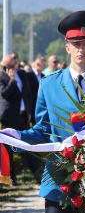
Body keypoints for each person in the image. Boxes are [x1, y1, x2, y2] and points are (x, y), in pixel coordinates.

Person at [1, 10, 85, 213]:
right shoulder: (49, 84)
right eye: (76, 44)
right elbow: (43, 129)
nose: (81, 49)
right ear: (67, 47)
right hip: (59, 180)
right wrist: (17, 136)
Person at [0, 55, 32, 186]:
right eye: (11, 67)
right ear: (5, 67)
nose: (14, 68)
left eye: (15, 65)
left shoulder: (22, 73)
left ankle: (38, 173)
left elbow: (27, 93)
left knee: (29, 145)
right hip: (9, 118)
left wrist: (29, 112)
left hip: (23, 116)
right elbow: (4, 94)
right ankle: (11, 178)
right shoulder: (2, 76)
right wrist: (12, 81)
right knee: (9, 149)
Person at [27, 58, 45, 125]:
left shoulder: (43, 76)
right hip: (31, 107)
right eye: (44, 65)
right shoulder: (28, 75)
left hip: (41, 108)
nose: (45, 67)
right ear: (37, 64)